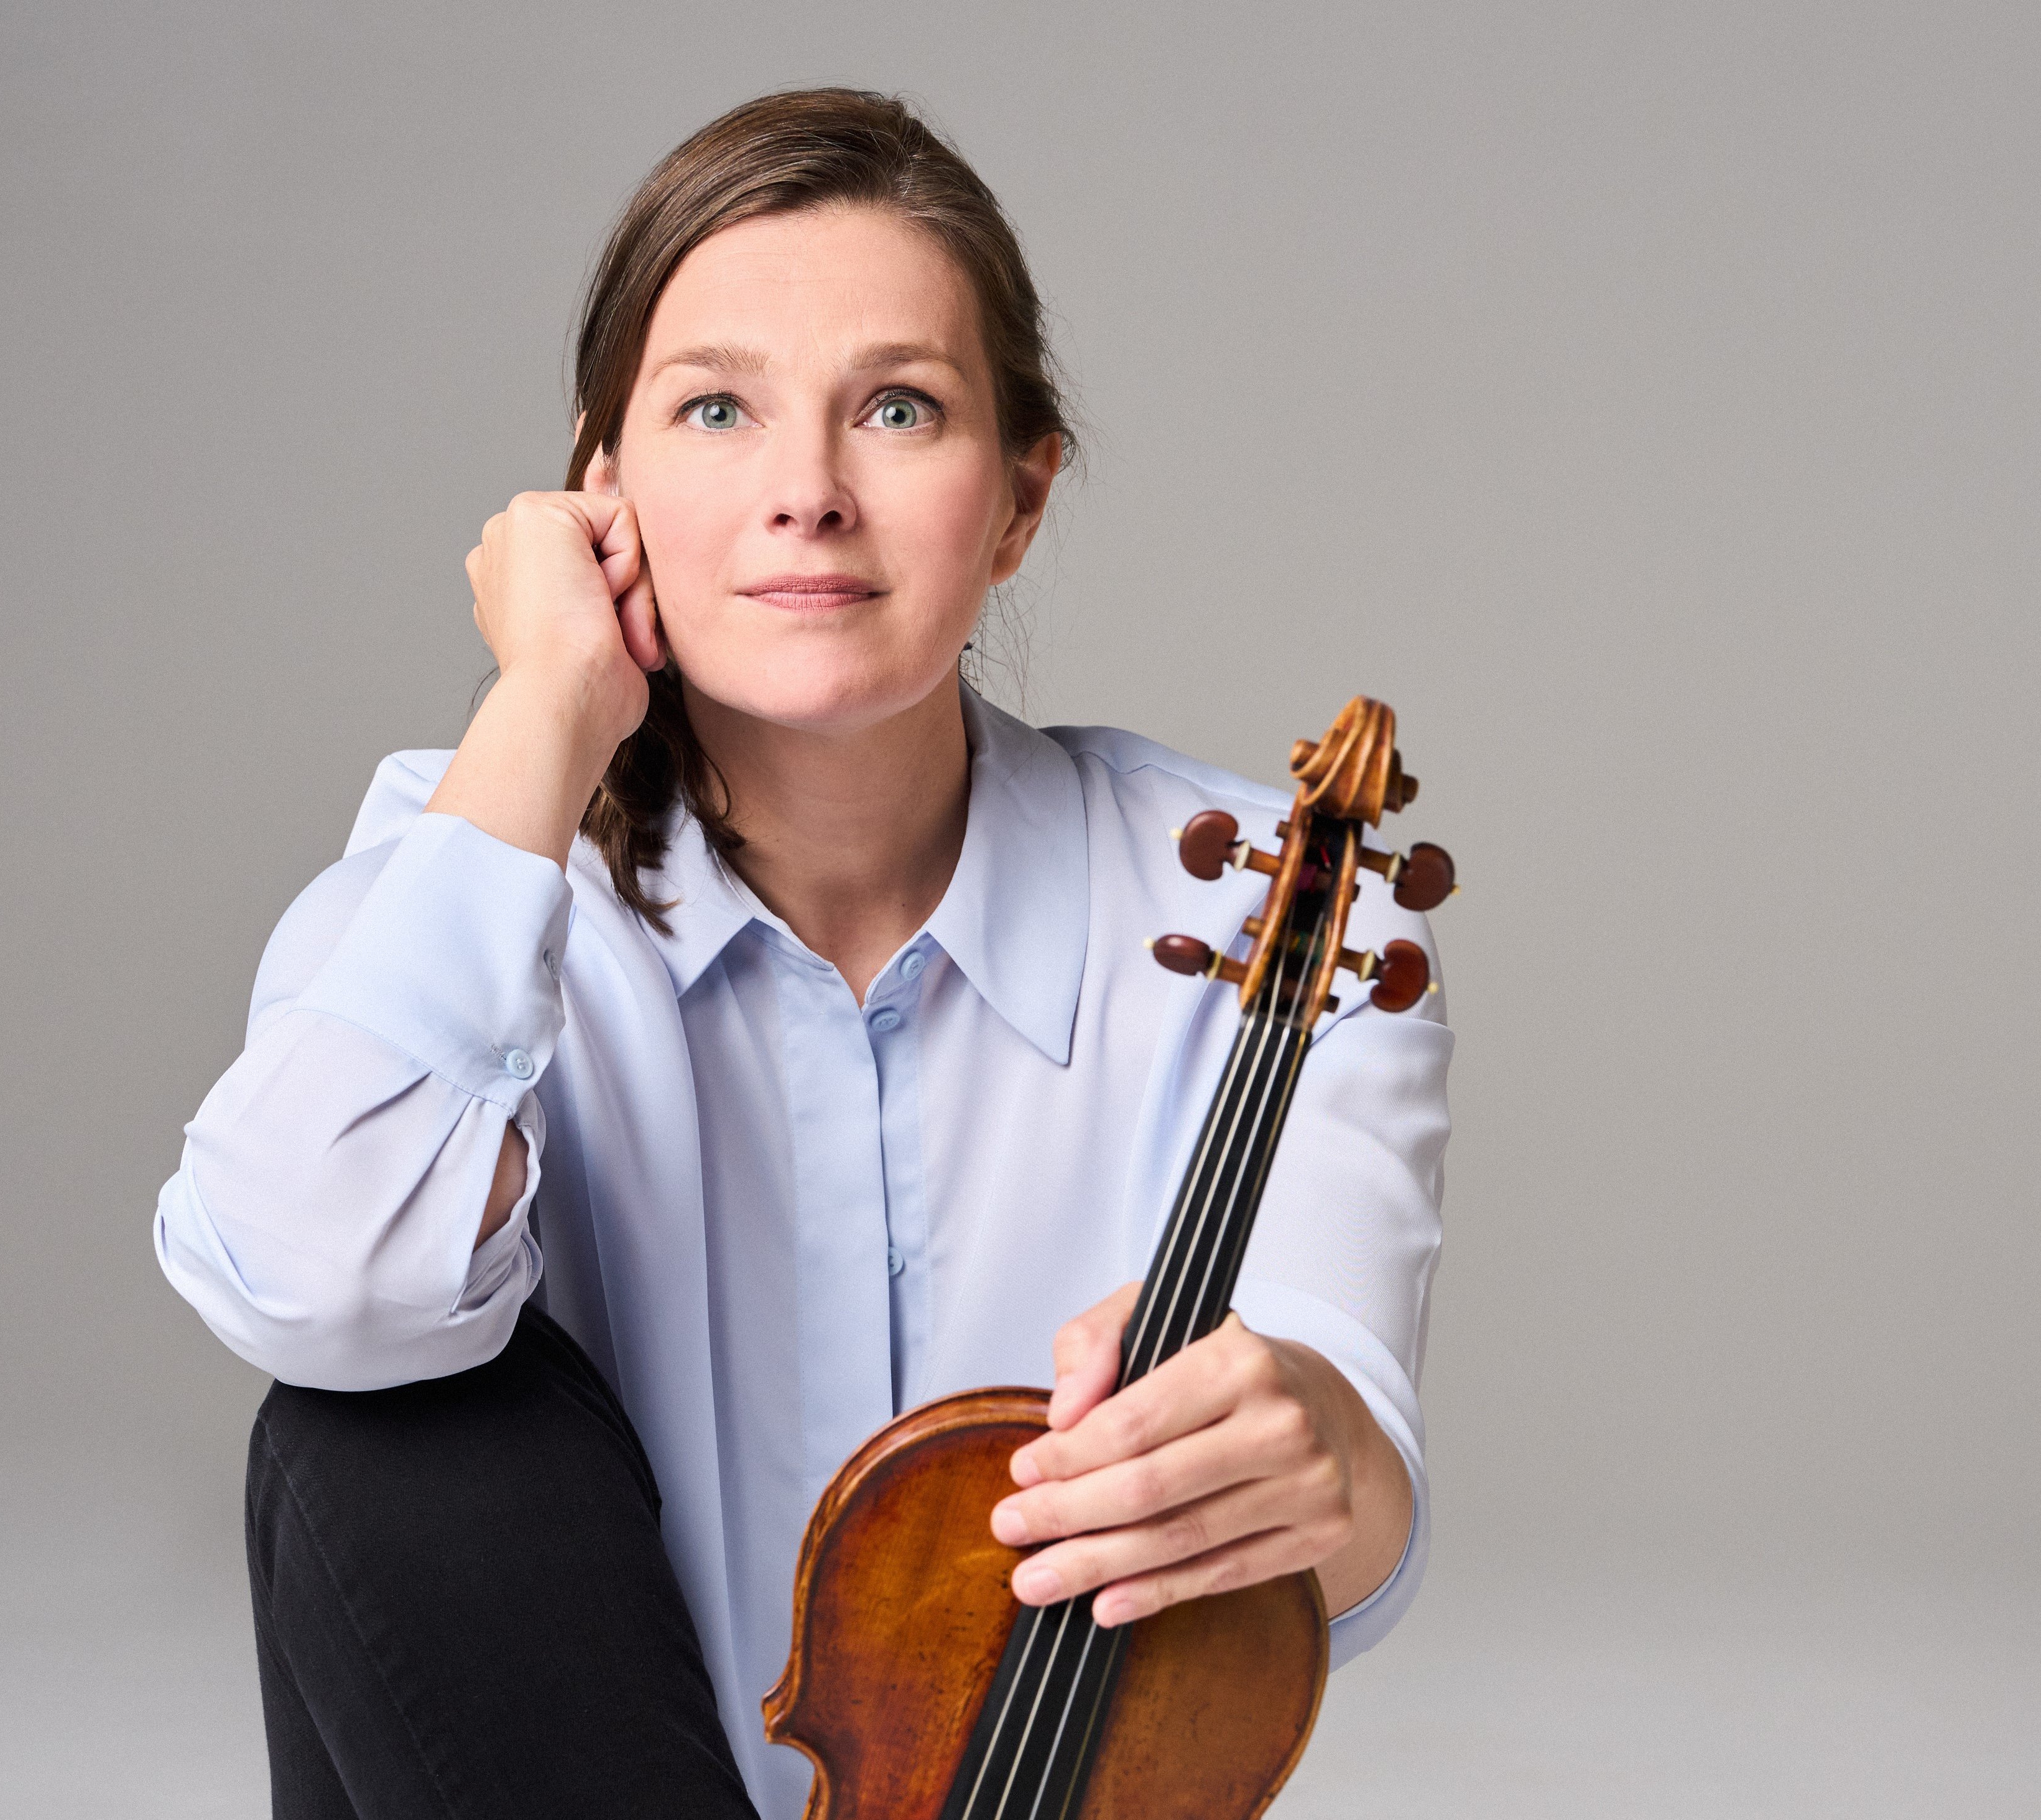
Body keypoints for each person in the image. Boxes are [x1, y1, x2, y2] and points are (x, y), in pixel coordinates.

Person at [155, 88, 1453, 1820]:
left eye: (900, 410)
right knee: (378, 1425)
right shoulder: (468, 845)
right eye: (715, 411)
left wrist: (1297, 1444)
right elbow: (309, 1281)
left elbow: (1337, 1460)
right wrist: (548, 703)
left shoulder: (1284, 910)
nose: (807, 496)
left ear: (1017, 501)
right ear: (598, 496)